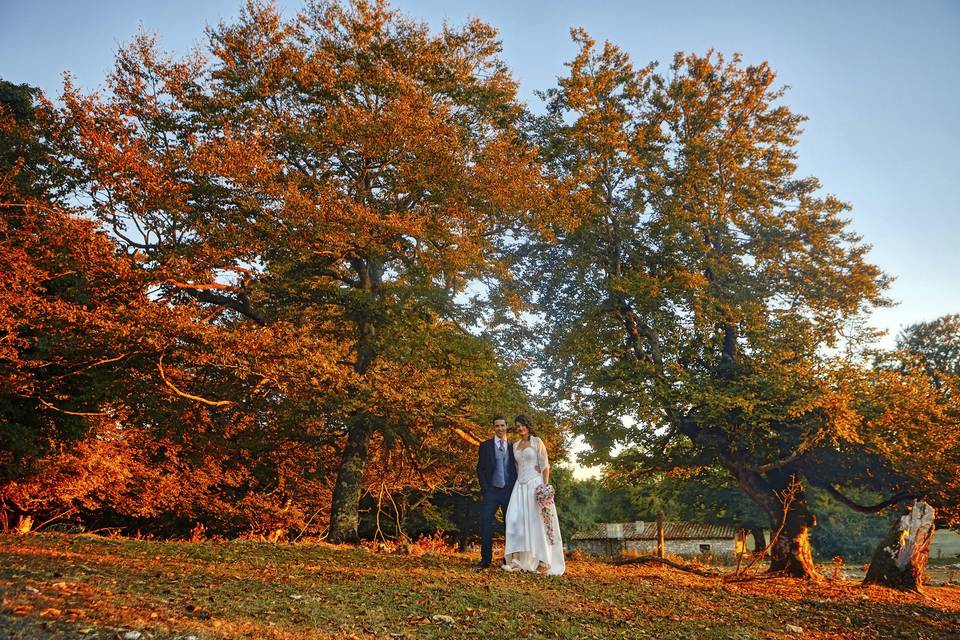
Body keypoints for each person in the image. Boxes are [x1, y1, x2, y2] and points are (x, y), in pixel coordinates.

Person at [503, 414, 565, 575]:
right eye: (517, 426)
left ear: (528, 425)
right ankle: (518, 560)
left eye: (522, 425)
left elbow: (545, 466)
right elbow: (515, 468)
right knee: (514, 519)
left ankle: (544, 561)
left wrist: (544, 489)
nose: (520, 428)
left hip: (535, 485)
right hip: (520, 487)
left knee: (537, 522)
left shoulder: (537, 442)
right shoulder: (515, 445)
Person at [475, 415, 516, 569]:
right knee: (486, 524)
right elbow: (480, 469)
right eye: (497, 426)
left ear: (506, 427)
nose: (500, 428)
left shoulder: (513, 446)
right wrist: (485, 488)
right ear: (494, 427)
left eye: (502, 425)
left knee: (510, 526)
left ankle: (508, 559)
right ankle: (486, 560)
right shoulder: (485, 446)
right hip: (491, 491)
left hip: (508, 491)